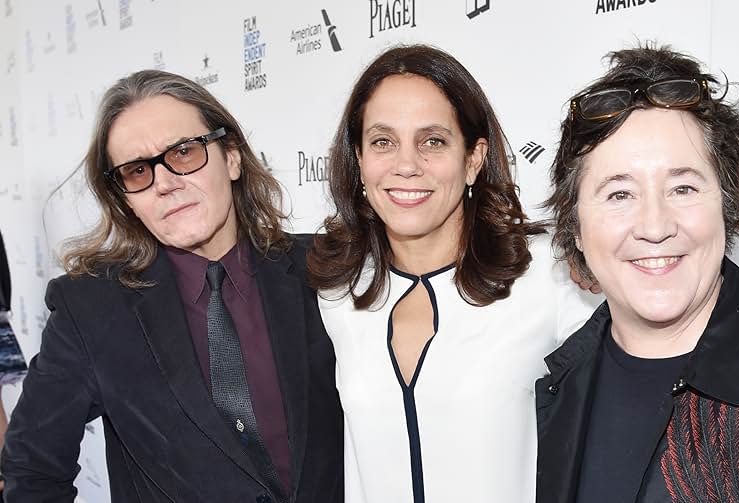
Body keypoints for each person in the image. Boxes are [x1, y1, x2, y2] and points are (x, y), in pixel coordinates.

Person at [1, 70, 343, 502]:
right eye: (137, 171)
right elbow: (32, 470)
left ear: (232, 156)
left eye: (183, 153)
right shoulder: (89, 309)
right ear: (125, 197)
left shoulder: (327, 268)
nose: (164, 183)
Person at [308, 44, 598, 503]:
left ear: (473, 158)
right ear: (359, 160)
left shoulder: (550, 275)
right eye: (383, 141)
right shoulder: (339, 293)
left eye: (433, 141)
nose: (406, 165)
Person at [535, 45, 739, 503]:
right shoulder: (560, 385)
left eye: (683, 187)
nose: (655, 226)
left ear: (727, 205)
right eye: (619, 194)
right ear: (577, 229)